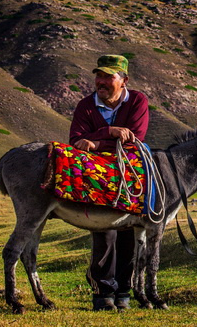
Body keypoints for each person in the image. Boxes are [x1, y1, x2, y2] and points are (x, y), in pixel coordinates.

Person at [69, 54, 149, 312]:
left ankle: (123, 290)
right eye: (98, 76)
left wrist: (95, 142)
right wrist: (110, 131)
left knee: (128, 230)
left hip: (130, 173)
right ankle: (103, 292)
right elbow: (75, 141)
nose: (100, 82)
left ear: (124, 80)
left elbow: (134, 140)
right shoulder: (85, 106)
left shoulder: (137, 100)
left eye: (108, 77)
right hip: (97, 176)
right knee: (104, 231)